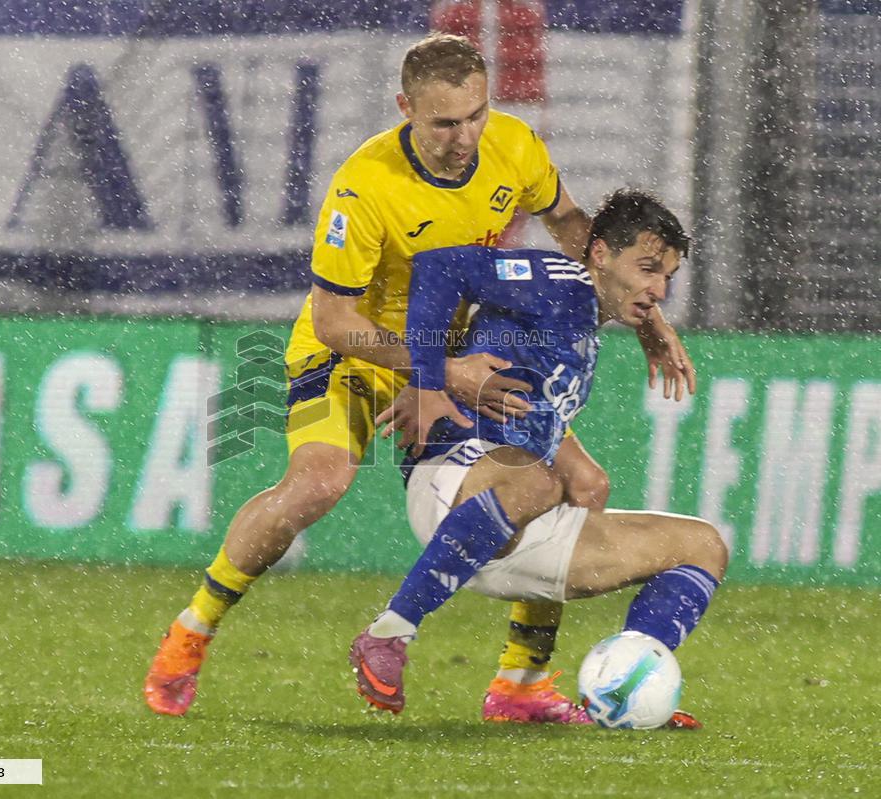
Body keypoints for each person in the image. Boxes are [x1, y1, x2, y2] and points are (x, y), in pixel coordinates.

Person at [144, 34, 696, 719]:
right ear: (405, 108)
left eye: (477, 115)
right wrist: (439, 368)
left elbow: (575, 227)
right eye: (444, 122)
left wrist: (642, 312)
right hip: (357, 352)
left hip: (462, 352)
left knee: (584, 484)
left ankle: (519, 681)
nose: (466, 136)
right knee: (320, 480)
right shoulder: (364, 187)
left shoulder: (513, 145)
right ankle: (196, 624)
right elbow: (336, 319)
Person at [349, 189, 726, 728]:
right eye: (647, 269)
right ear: (599, 255)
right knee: (542, 483)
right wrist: (429, 380)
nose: (658, 289)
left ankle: (606, 683)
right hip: (452, 469)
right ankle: (388, 632)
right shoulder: (555, 278)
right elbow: (439, 267)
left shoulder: (589, 315)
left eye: (666, 277)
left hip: (511, 513)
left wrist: (651, 326)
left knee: (699, 544)